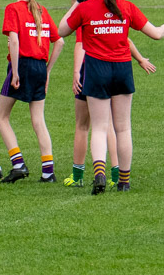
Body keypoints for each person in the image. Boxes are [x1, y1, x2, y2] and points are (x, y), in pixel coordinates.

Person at [58, 0, 164, 194]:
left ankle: (99, 174)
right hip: (122, 69)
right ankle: (124, 181)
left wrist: (76, 3)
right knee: (123, 128)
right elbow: (156, 34)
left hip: (97, 71)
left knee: (99, 127)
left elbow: (60, 30)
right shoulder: (126, 7)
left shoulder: (85, 9)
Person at [0, 0, 65, 183]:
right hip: (40, 68)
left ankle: (18, 164)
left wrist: (15, 72)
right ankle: (48, 171)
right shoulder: (40, 10)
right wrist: (48, 71)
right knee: (38, 120)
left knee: (1, 117)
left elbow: (14, 41)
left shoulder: (13, 9)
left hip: (22, 65)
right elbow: (59, 42)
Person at [65, 35, 152, 188]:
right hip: (116, 68)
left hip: (91, 69)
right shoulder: (116, 13)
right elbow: (126, 39)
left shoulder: (86, 12)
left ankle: (78, 176)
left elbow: (80, 43)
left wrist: (76, 72)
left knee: (83, 125)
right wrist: (140, 59)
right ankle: (116, 174)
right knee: (111, 124)